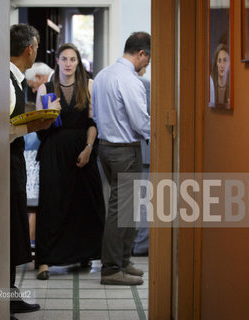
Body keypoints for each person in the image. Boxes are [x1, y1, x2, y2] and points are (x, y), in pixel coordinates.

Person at [34, 43, 105, 280]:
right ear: (57, 61)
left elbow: (93, 123)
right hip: (54, 151)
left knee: (84, 202)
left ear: (78, 62)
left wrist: (88, 149)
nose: (68, 64)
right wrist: (48, 115)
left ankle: (83, 254)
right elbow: (39, 130)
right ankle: (44, 261)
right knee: (52, 203)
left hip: (82, 150)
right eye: (64, 59)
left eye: (72, 59)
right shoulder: (45, 88)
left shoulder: (89, 85)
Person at [92, 32, 151, 286]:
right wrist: (160, 133)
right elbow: (140, 121)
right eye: (147, 59)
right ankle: (111, 268)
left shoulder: (103, 75)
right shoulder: (130, 79)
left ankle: (124, 260)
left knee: (127, 208)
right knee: (120, 211)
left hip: (105, 148)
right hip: (125, 150)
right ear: (141, 54)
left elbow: (95, 114)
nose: (147, 65)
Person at [8, 24, 56, 316]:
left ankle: (9, 293)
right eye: (36, 47)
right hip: (6, 161)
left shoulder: (15, 79)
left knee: (14, 225)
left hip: (12, 159)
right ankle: (7, 297)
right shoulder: (5, 81)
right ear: (30, 49)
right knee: (12, 226)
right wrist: (33, 125)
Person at [132, 66, 150, 257]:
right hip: (145, 151)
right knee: (145, 203)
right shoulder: (146, 86)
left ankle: (135, 245)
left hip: (124, 150)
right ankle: (140, 246)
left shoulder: (111, 82)